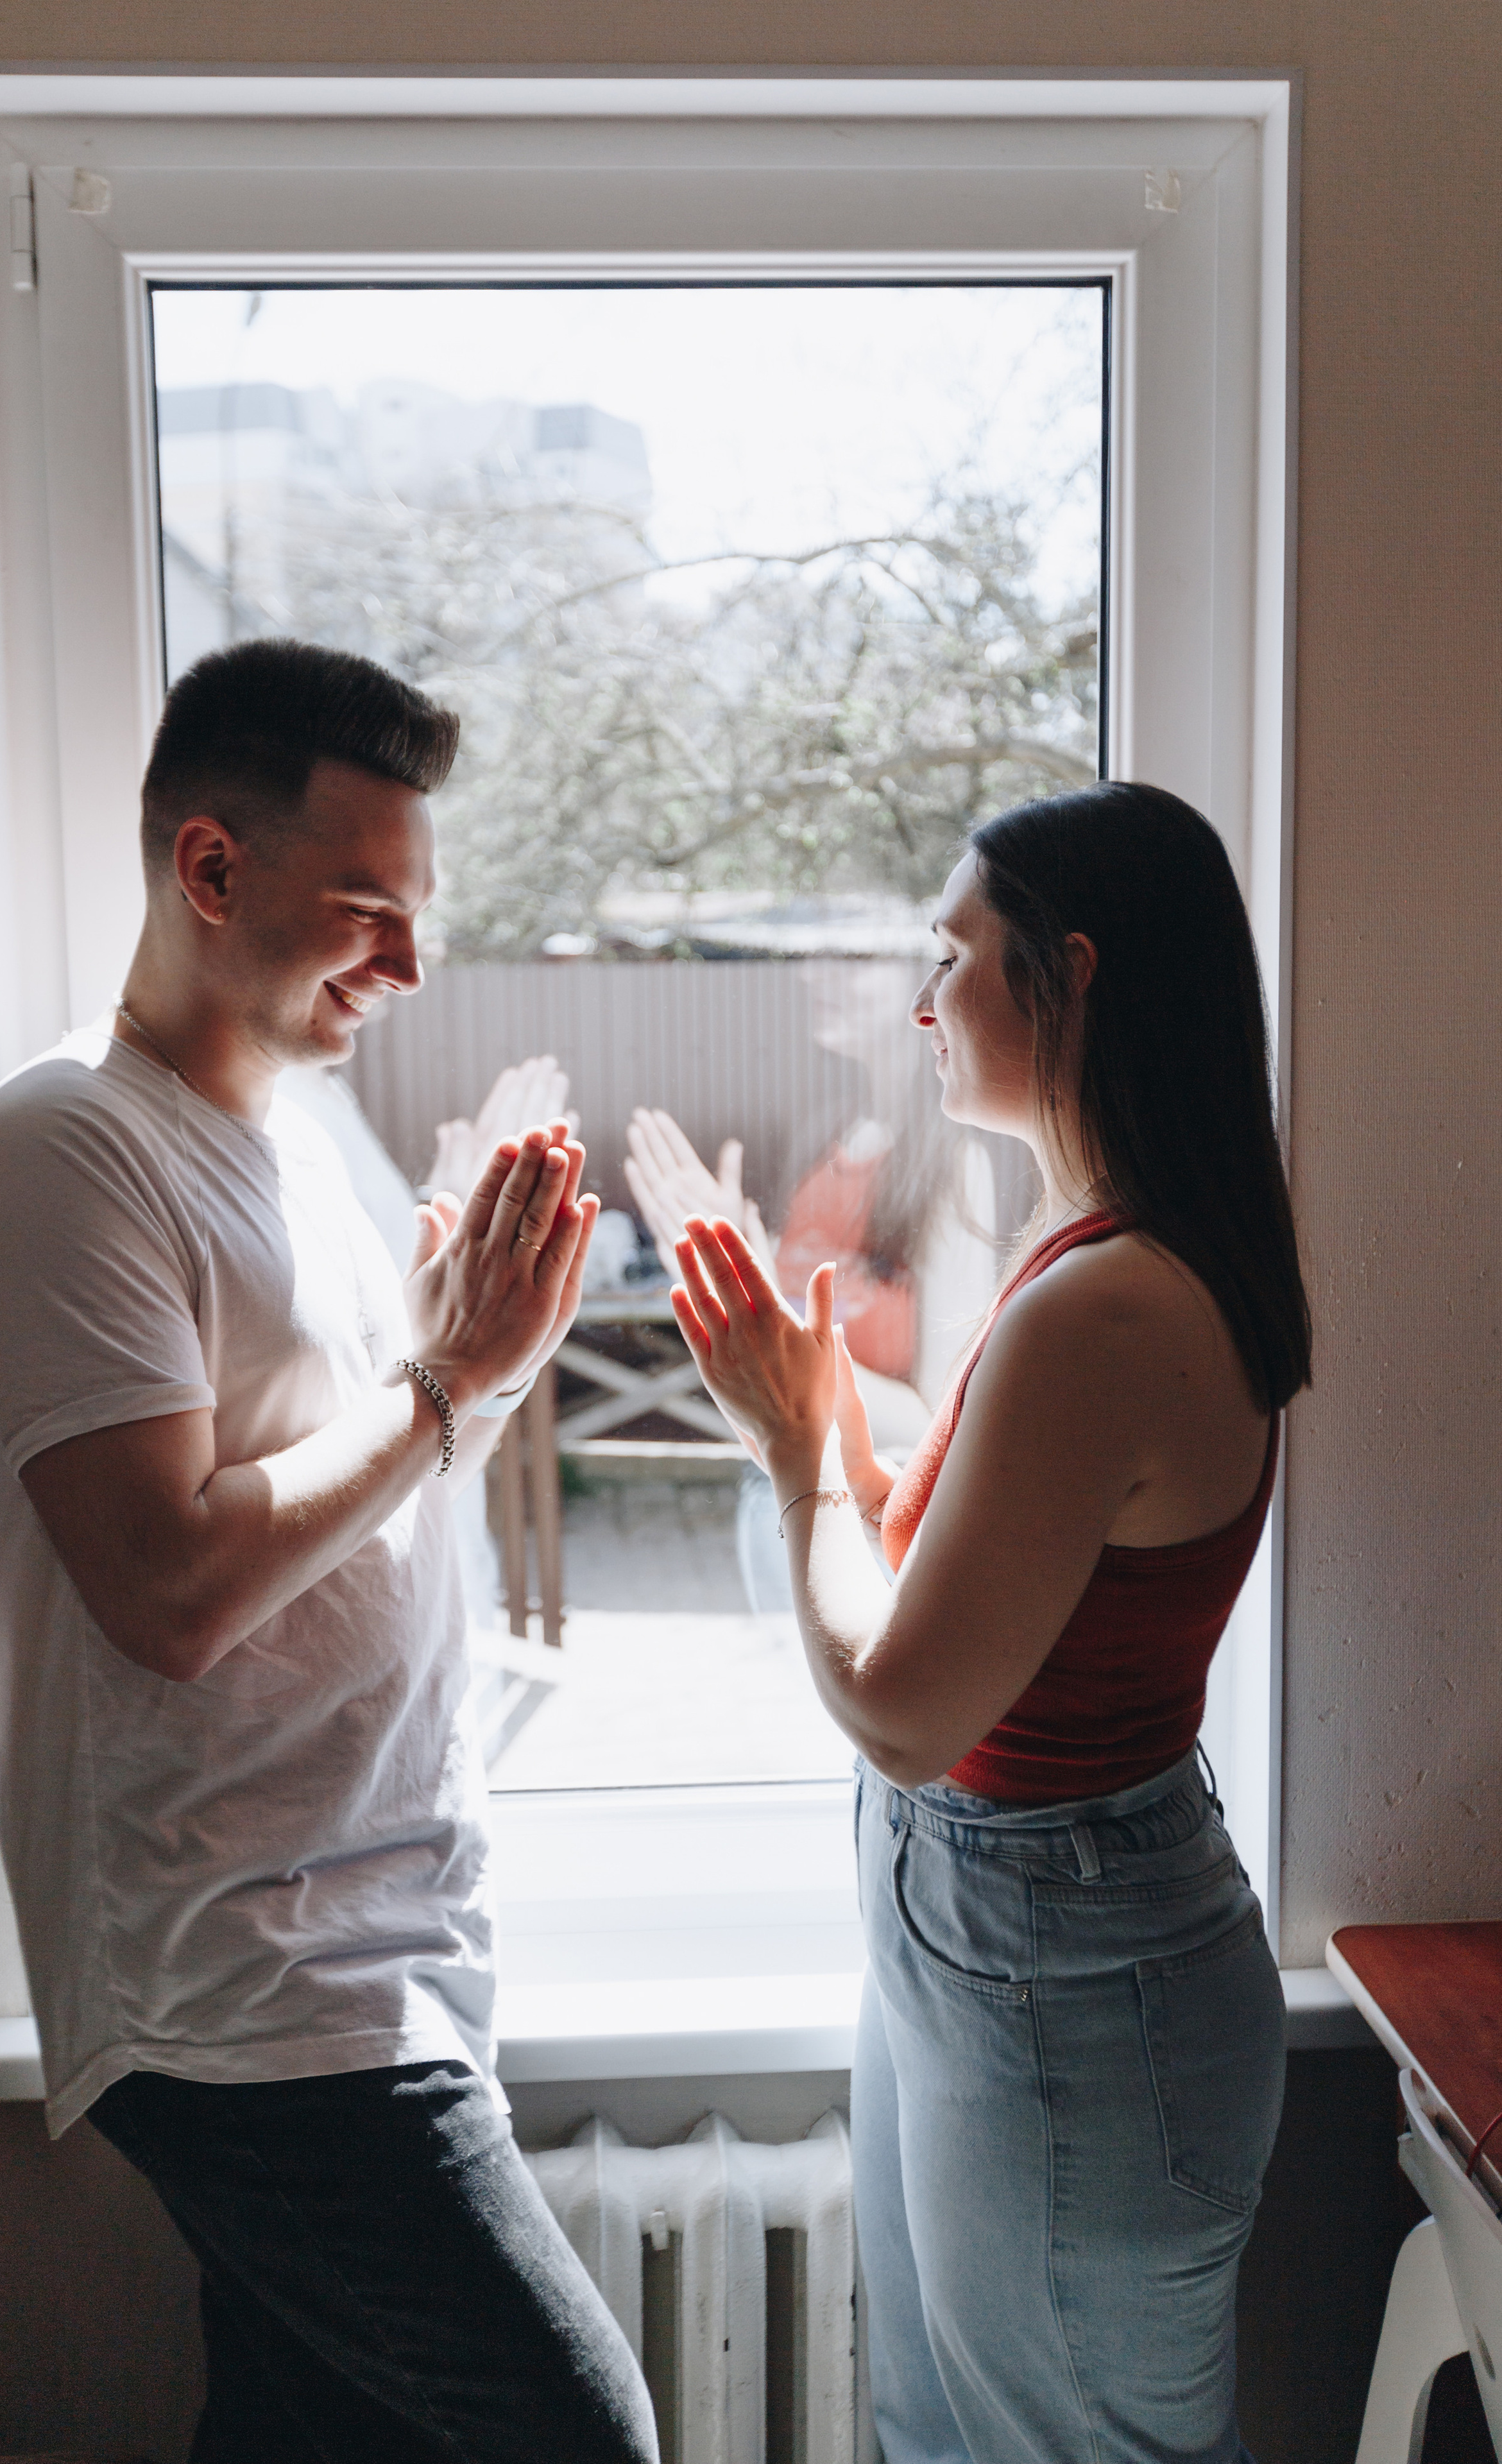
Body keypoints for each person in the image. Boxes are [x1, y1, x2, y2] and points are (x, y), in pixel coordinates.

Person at [0, 638, 657, 2464]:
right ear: (209, 867)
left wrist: (479, 1371)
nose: (407, 965)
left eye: (417, 914)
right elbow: (168, 1588)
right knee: (581, 2435)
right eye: (367, 911)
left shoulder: (301, 1144)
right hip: (249, 1988)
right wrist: (447, 1380)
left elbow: (366, 1480)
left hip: (382, 1938)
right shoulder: (66, 1150)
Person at [665, 781, 1310, 2464]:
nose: (920, 1000)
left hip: (1071, 1975)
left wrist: (802, 1453)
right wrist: (826, 1438)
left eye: (950, 956)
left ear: (1068, 976)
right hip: (1003, 1946)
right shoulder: (1080, 1252)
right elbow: (941, 1582)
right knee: (946, 2428)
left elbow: (901, 1705)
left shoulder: (1107, 1302)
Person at [624, 961, 997, 1609]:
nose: (816, 975)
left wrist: (759, 1297)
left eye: (853, 958)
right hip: (778, 1497)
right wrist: (722, 1260)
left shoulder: (954, 1165)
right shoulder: (831, 1134)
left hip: (873, 1530)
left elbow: (937, 1417)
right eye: (815, 955)